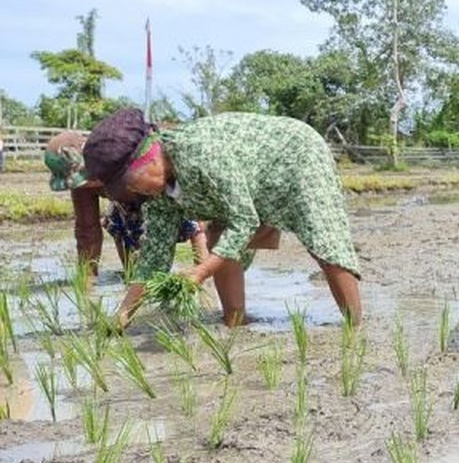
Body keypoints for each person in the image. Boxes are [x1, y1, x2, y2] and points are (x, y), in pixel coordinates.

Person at [81, 109, 361, 328]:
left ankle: (355, 326)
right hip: (249, 181)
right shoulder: (156, 194)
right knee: (218, 235)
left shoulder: (200, 153)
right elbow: (154, 257)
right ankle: (235, 322)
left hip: (295, 156)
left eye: (133, 183)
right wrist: (122, 316)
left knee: (323, 241)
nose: (134, 192)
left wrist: (201, 272)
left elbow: (244, 221)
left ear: (150, 157)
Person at [43, 130, 208, 276]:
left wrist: (201, 272)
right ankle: (133, 278)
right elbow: (87, 230)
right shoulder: (80, 186)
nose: (87, 185)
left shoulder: (117, 156)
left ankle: (204, 272)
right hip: (126, 205)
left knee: (192, 225)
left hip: (157, 191)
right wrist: (87, 281)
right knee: (116, 222)